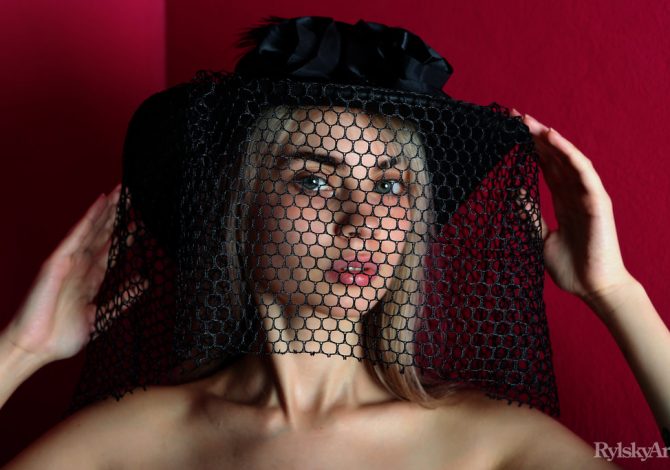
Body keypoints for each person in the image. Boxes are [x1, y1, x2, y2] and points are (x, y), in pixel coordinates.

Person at [2, 16, 668, 470]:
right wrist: (20, 350)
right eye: (315, 180)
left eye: (390, 185)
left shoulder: (492, 446)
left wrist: (616, 294)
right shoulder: (138, 438)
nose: (363, 219)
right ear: (239, 204)